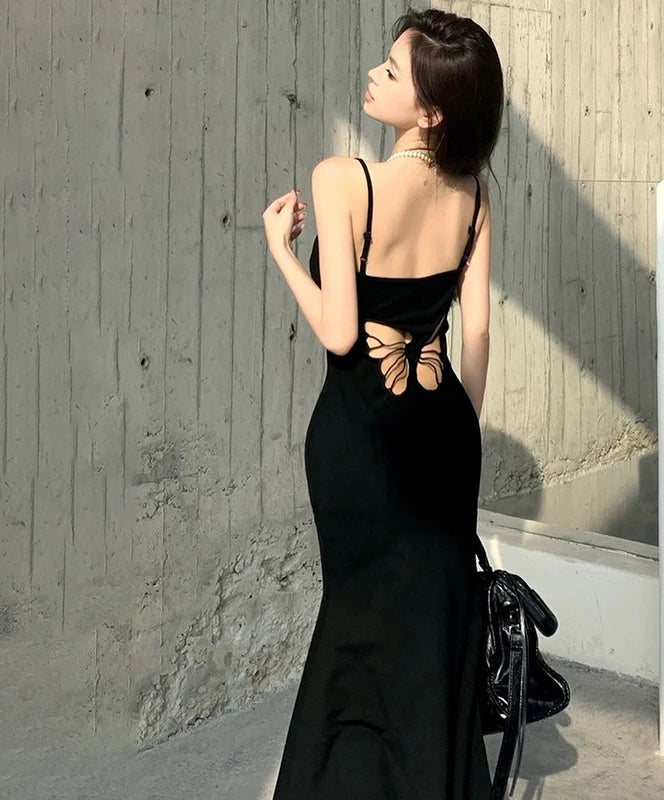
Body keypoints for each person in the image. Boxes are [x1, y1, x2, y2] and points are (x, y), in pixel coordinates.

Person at [262, 7, 503, 798]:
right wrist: (459, 435)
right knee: (428, 624)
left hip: (360, 440)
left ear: (431, 112)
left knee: (358, 618)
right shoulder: (473, 194)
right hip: (442, 436)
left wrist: (282, 254)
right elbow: (477, 331)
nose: (374, 74)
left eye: (392, 71)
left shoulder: (342, 179)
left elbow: (340, 334)